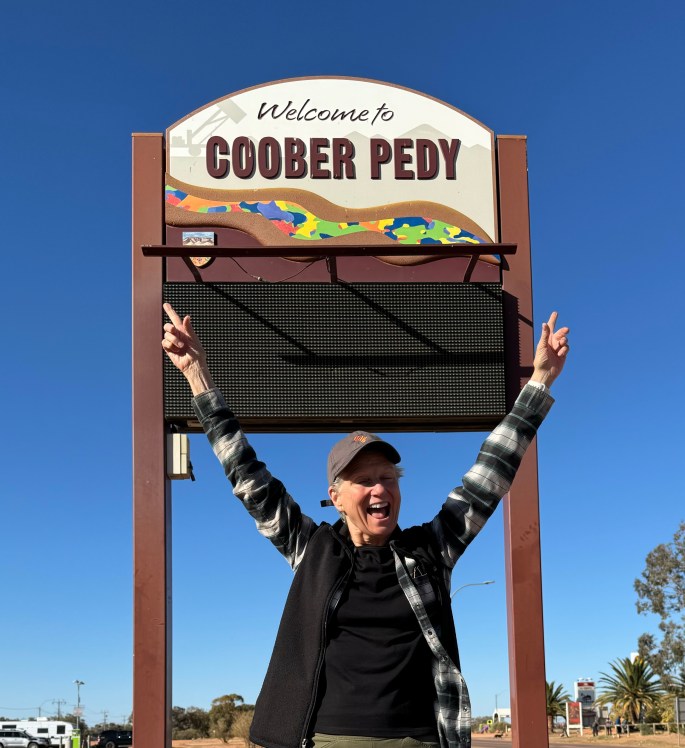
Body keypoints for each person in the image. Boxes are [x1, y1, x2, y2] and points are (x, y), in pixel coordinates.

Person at [162, 304, 570, 748]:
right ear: (336, 497)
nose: (380, 489)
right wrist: (197, 376)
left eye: (388, 478)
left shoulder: (430, 551)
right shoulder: (312, 548)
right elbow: (247, 474)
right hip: (328, 740)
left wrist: (540, 381)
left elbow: (489, 475)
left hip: (419, 741)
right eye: (364, 480)